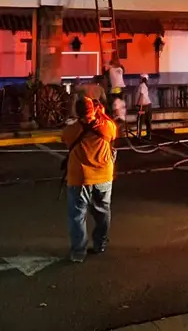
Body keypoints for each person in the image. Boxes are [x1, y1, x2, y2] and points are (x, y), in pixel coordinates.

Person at [61, 94, 117, 263]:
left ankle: (78, 252)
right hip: (104, 177)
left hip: (80, 179)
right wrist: (101, 113)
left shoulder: (71, 130)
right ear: (94, 109)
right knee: (103, 212)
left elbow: (65, 139)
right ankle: (100, 244)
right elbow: (113, 132)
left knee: (77, 216)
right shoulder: (106, 126)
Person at [135, 73, 153, 140]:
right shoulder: (145, 85)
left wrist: (141, 108)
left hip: (143, 106)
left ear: (142, 78)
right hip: (149, 106)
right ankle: (149, 136)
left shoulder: (141, 85)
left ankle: (138, 136)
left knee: (139, 121)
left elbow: (142, 96)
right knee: (148, 121)